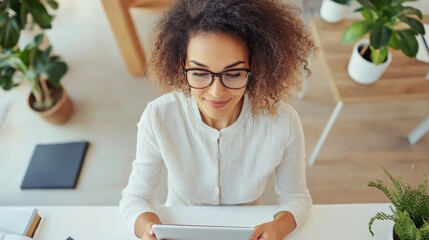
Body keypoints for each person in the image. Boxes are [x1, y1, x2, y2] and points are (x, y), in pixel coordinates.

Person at [119, 0, 316, 239]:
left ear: (252, 64)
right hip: (179, 227)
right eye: (200, 73)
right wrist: (148, 229)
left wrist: (279, 227)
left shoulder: (283, 123)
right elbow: (135, 198)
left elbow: (297, 197)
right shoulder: (159, 116)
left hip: (248, 231)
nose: (216, 93)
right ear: (182, 64)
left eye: (233, 74)